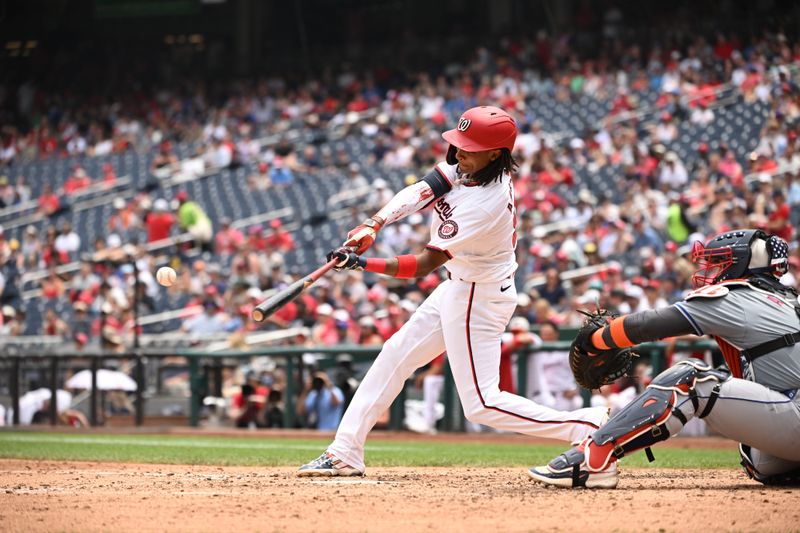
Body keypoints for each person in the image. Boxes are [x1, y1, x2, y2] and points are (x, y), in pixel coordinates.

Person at [298, 106, 608, 477]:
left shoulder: (487, 202)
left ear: (496, 153)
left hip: (480, 295)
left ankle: (585, 426)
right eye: (459, 142)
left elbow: (422, 265)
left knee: (481, 405)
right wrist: (374, 223)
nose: (459, 151)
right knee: (395, 354)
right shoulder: (470, 169)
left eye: (469, 146)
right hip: (461, 286)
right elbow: (422, 189)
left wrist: (363, 264)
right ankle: (345, 451)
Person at [529, 229, 800, 489]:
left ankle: (594, 457)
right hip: (790, 416)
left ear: (743, 265)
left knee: (692, 380)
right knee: (759, 458)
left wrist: (595, 341)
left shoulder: (738, 296)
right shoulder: (788, 300)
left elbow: (651, 324)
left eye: (720, 263)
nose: (711, 271)